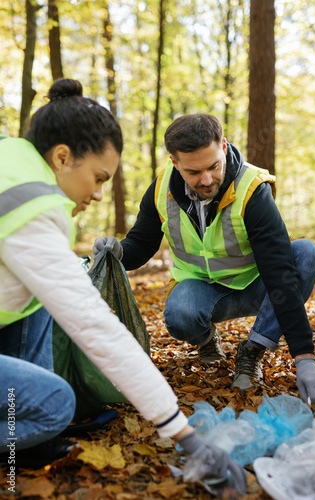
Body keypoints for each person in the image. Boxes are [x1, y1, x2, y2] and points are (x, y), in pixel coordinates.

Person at [0, 82, 246, 492]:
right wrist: (183, 434)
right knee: (55, 404)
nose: (98, 194)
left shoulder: (11, 155)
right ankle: (20, 434)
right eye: (97, 178)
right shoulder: (33, 210)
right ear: (62, 157)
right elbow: (94, 325)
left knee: (42, 298)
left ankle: (21, 437)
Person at [94, 113, 315, 408]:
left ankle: (252, 350)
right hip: (203, 291)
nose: (206, 180)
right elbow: (141, 245)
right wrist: (120, 251)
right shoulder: (160, 189)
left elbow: (280, 271)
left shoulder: (251, 190)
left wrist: (304, 357)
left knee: (306, 254)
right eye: (194, 172)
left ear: (224, 146)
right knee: (180, 314)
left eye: (213, 166)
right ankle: (206, 339)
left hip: (258, 285)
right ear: (175, 162)